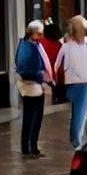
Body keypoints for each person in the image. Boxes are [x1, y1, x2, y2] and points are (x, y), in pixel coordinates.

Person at [56, 16, 87, 151]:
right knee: (80, 113)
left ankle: (76, 138)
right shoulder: (67, 47)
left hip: (81, 83)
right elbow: (57, 65)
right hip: (78, 84)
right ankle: (76, 139)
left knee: (79, 113)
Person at [15, 21, 54, 157]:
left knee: (35, 116)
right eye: (39, 33)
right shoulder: (27, 46)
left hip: (34, 84)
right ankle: (29, 147)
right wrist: (41, 80)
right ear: (32, 33)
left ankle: (31, 146)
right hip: (31, 85)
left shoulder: (30, 45)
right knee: (32, 117)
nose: (42, 36)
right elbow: (25, 69)